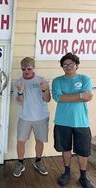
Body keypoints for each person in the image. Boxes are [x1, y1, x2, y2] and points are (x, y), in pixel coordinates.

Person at [52, 52, 94, 188]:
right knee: (65, 149)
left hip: (81, 122)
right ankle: (66, 173)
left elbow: (88, 97)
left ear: (76, 65)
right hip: (62, 121)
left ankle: (83, 177)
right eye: (65, 64)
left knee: (83, 151)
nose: (68, 66)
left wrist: (68, 96)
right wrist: (80, 95)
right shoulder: (57, 81)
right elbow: (58, 98)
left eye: (71, 64)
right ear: (62, 67)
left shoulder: (85, 78)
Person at [12, 57, 51, 177]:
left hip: (41, 117)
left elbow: (48, 99)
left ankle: (38, 161)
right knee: (20, 141)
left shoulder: (41, 80)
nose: (26, 71)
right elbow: (19, 101)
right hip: (25, 117)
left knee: (39, 140)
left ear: (33, 67)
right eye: (23, 69)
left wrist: (44, 89)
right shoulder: (18, 82)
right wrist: (20, 92)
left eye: (29, 68)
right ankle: (20, 163)